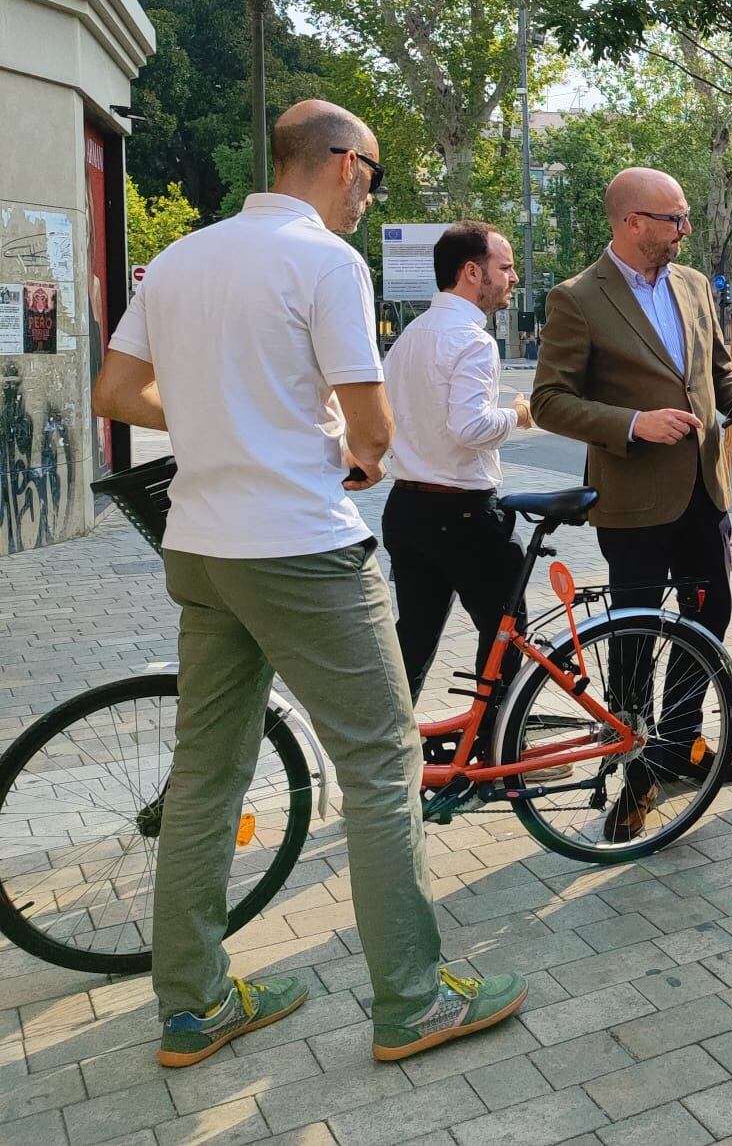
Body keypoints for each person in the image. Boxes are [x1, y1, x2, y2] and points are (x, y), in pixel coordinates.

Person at [91, 101, 526, 1070]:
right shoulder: (327, 263)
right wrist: (343, 454)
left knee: (205, 776)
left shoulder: (183, 261)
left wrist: (218, 427)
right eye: (371, 172)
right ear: (339, 164)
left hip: (201, 546)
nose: (371, 192)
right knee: (381, 766)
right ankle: (411, 1001)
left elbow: (118, 395)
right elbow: (370, 436)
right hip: (298, 547)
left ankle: (194, 1006)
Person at [531, 168, 732, 841]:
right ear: (630, 221)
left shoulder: (694, 285)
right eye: (674, 219)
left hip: (702, 487)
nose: (685, 231)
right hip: (633, 500)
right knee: (634, 641)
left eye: (685, 217)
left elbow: (716, 371)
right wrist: (634, 424)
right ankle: (633, 776)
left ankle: (678, 747)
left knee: (708, 617)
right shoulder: (577, 298)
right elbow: (549, 400)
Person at [381, 221, 533, 724]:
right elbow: (470, 427)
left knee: (416, 635)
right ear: (472, 272)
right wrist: (518, 415)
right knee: (505, 632)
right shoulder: (472, 340)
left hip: (407, 508)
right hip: (464, 511)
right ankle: (500, 743)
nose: (514, 278)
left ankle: (390, 752)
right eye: (505, 267)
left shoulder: (409, 337)